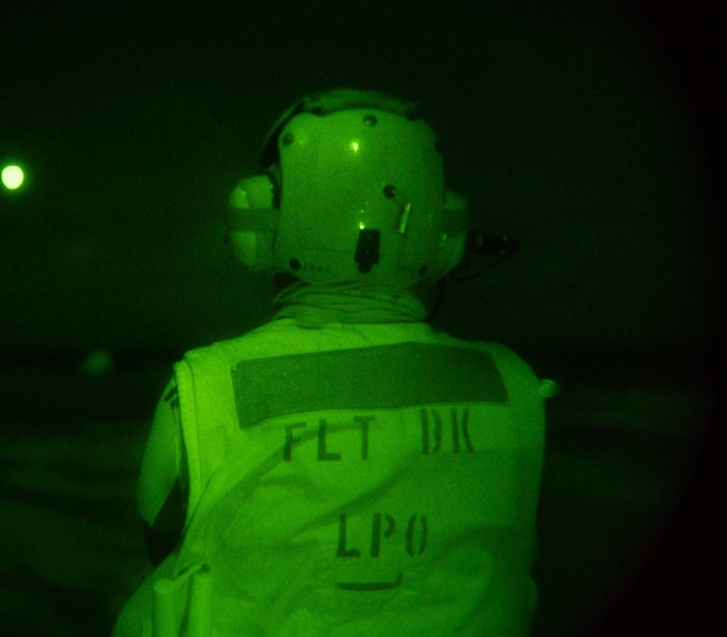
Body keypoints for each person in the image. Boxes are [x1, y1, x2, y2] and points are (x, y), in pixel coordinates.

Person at [113, 89, 550, 637]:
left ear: (264, 214)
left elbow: (164, 545)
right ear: (443, 233)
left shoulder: (203, 391)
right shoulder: (513, 389)